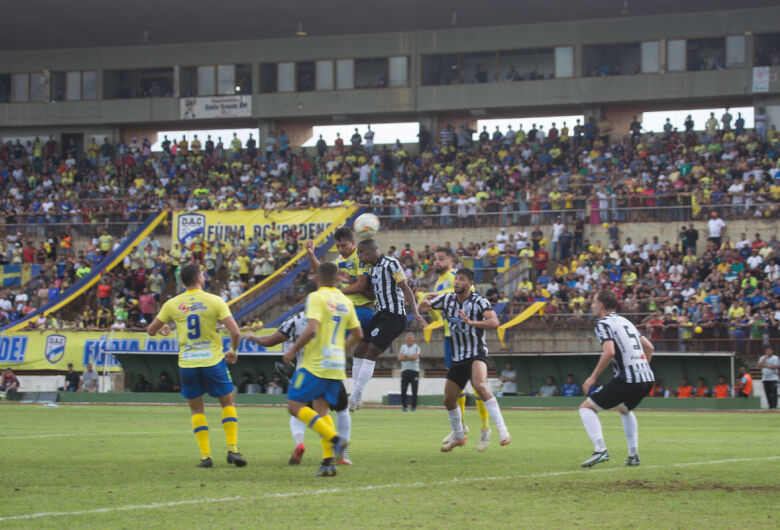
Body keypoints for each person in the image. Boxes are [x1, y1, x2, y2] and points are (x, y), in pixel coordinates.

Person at [147, 263, 246, 468]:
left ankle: (205, 456)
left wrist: (163, 327)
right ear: (200, 278)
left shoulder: (172, 304)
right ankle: (232, 450)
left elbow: (150, 330)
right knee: (228, 403)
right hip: (212, 360)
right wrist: (234, 351)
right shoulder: (215, 301)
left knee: (197, 410)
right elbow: (235, 332)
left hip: (188, 363)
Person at [281, 262, 362, 477]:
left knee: (294, 406)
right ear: (338, 279)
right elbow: (358, 334)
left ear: (317, 278)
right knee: (322, 410)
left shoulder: (315, 297)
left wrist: (292, 351)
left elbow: (311, 329)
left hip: (315, 364)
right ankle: (329, 463)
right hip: (336, 365)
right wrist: (339, 348)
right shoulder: (345, 301)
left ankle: (335, 439)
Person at [419, 268, 510, 452]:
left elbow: (494, 322)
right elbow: (423, 307)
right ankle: (459, 435)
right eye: (456, 279)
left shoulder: (479, 301)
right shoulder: (447, 299)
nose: (457, 282)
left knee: (480, 385)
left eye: (461, 279)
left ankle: (502, 430)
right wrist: (425, 301)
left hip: (476, 352)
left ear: (469, 283)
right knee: (448, 400)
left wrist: (472, 323)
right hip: (458, 356)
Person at [579, 290, 654, 468]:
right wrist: (641, 368)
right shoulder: (626, 321)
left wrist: (593, 377)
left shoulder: (603, 324)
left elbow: (610, 352)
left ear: (602, 306)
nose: (592, 306)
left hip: (628, 379)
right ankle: (633, 454)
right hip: (647, 378)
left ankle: (600, 450)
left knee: (586, 409)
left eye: (594, 302)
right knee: (624, 410)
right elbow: (649, 347)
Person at [348, 239, 426, 411]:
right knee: (359, 351)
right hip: (380, 314)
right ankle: (356, 396)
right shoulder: (373, 268)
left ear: (370, 252)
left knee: (371, 352)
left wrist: (415, 312)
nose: (359, 256)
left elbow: (405, 288)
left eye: (360, 253)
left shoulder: (391, 263)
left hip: (394, 316)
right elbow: (370, 292)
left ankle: (353, 398)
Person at [426, 247, 491, 441]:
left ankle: (485, 426)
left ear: (451, 261)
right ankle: (460, 426)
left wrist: (434, 296)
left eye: (441, 259)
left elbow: (469, 293)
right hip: (451, 337)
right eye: (435, 259)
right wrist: (430, 306)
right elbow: (438, 314)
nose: (437, 262)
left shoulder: (456, 276)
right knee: (457, 386)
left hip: (470, 337)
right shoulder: (438, 282)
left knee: (478, 384)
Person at [305, 226, 374, 331]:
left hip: (363, 310)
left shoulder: (361, 256)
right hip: (348, 309)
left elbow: (361, 285)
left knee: (335, 337)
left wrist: (336, 292)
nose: (341, 250)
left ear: (352, 242)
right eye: (338, 246)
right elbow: (321, 271)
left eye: (343, 246)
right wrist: (311, 255)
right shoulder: (339, 260)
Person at [397, 333, 420, 412]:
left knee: (414, 391)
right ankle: (404, 407)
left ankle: (413, 407)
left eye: (410, 338)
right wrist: (409, 357)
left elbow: (415, 357)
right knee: (403, 390)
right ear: (406, 340)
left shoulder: (416, 347)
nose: (409, 340)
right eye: (408, 338)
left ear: (413, 340)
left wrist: (405, 357)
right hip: (405, 371)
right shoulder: (402, 347)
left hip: (414, 371)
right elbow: (400, 358)